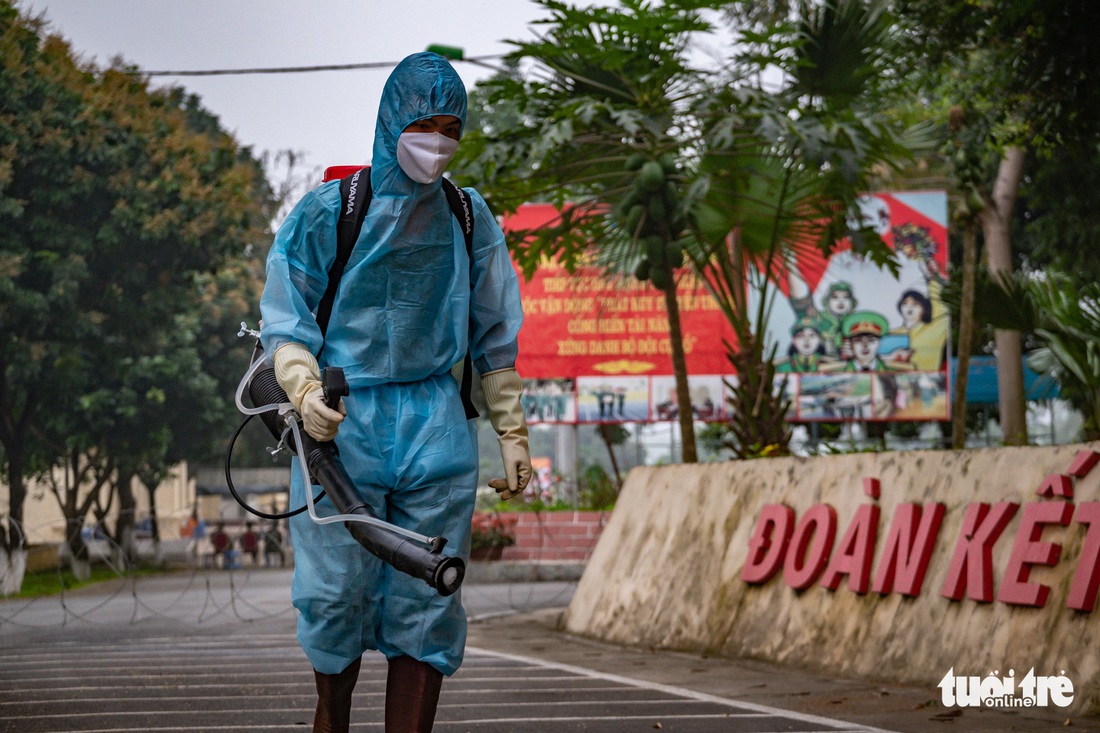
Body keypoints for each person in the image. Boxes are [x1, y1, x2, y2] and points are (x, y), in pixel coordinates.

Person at [258, 51, 530, 733]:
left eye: (450, 127)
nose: (437, 142)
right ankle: (332, 718)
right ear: (390, 120)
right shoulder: (330, 212)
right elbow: (286, 316)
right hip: (340, 429)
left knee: (430, 595)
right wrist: (302, 386)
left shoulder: (468, 219)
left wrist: (512, 431)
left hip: (436, 428)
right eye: (423, 122)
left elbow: (495, 333)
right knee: (333, 595)